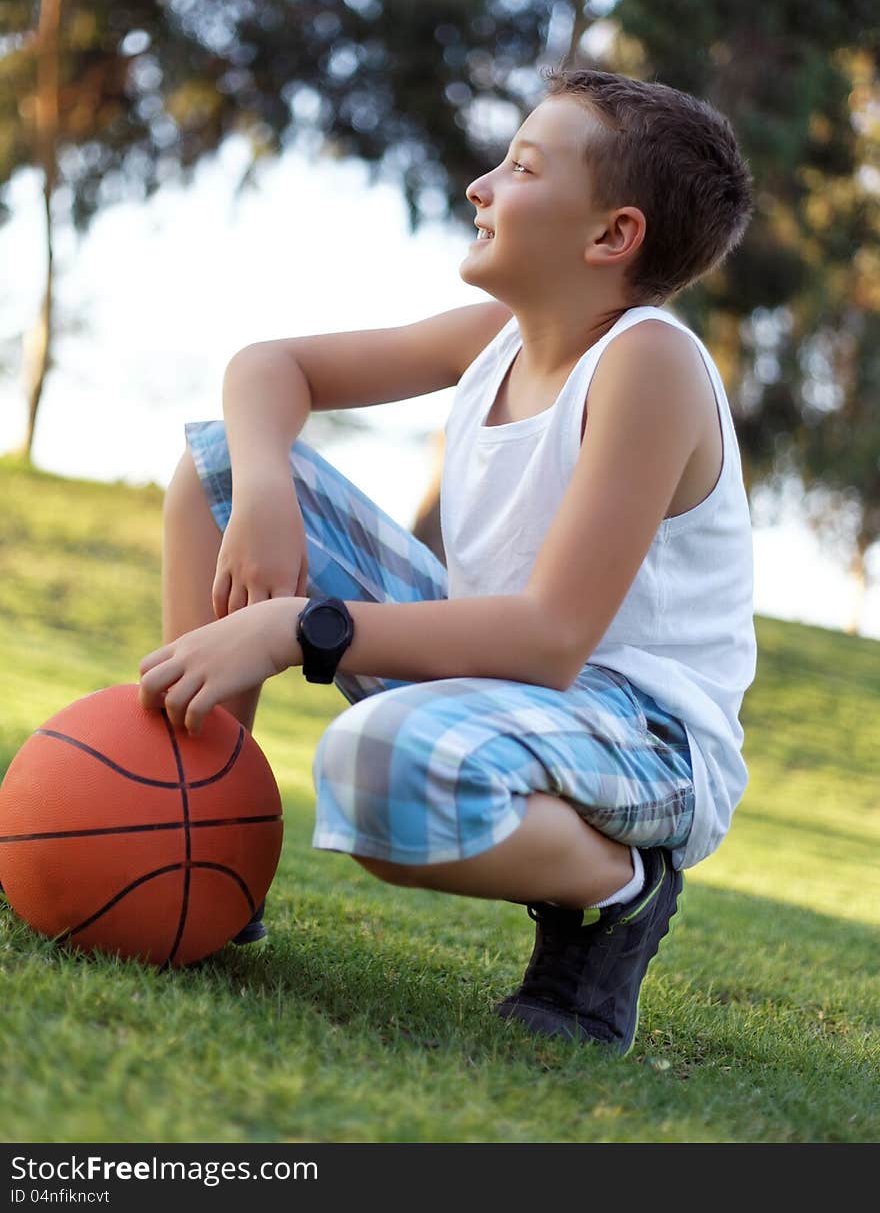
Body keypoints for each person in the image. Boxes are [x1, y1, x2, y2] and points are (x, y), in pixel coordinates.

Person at [138, 67, 758, 1054]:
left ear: (610, 236)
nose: (480, 185)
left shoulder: (649, 362)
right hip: (501, 678)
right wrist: (260, 489)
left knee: (375, 763)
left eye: (518, 167)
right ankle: (195, 855)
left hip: (641, 736)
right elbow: (270, 368)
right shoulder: (496, 339)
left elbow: (553, 639)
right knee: (210, 466)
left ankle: (622, 885)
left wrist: (295, 626)